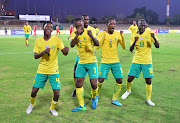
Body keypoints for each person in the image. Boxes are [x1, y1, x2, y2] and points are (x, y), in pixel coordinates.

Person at [26, 21, 69, 116]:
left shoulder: (57, 40)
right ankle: (31, 104)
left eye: (51, 27)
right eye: (47, 26)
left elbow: (64, 53)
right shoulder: (38, 41)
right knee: (34, 91)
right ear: (43, 28)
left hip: (54, 70)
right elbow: (35, 56)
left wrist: (66, 50)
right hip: (42, 69)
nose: (49, 28)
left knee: (57, 92)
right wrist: (44, 52)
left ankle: (52, 108)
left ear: (52, 29)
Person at [121, 19, 159, 106]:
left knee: (148, 80)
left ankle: (148, 99)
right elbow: (131, 49)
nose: (142, 27)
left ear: (146, 26)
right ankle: (128, 91)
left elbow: (157, 46)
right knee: (130, 78)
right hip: (136, 60)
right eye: (140, 25)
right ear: (137, 25)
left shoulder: (149, 32)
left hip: (147, 61)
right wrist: (135, 42)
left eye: (143, 25)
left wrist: (154, 38)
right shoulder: (134, 35)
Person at [70, 18, 99, 112]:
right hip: (81, 62)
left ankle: (94, 97)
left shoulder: (90, 31)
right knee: (78, 83)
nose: (79, 28)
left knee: (94, 84)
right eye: (77, 26)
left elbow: (97, 44)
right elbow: (71, 45)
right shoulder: (75, 33)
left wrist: (92, 36)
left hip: (92, 62)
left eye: (80, 26)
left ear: (83, 25)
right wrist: (77, 36)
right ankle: (82, 105)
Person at [96, 17, 126, 106]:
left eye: (114, 24)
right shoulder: (102, 34)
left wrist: (122, 36)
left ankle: (114, 99)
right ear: (107, 25)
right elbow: (97, 46)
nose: (113, 25)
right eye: (111, 24)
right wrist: (103, 36)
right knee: (100, 80)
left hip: (115, 61)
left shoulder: (117, 34)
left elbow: (124, 47)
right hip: (105, 61)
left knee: (119, 80)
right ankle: (95, 95)